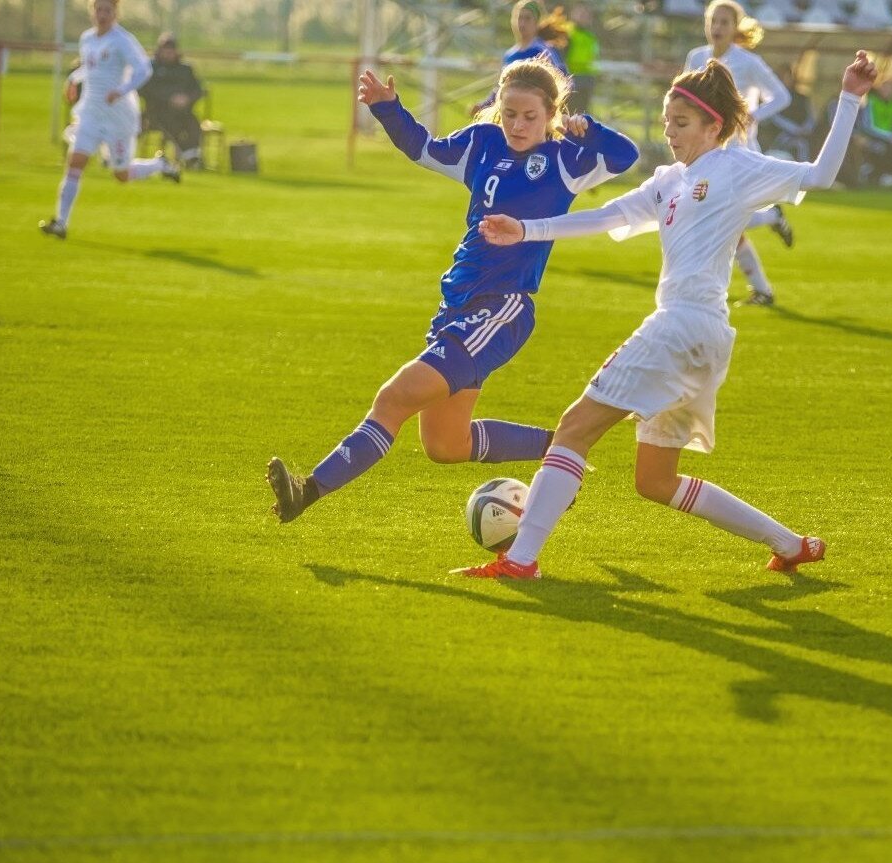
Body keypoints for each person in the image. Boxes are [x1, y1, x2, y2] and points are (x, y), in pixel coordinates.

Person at [453, 52, 881, 579]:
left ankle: (521, 561)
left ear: (713, 125)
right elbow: (606, 215)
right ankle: (791, 544)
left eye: (680, 124)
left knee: (573, 430)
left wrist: (848, 98)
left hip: (680, 328)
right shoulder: (669, 180)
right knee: (655, 481)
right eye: (665, 123)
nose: (670, 133)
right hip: (703, 337)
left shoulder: (736, 168)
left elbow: (821, 174)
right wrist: (526, 229)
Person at [264, 60, 638, 524]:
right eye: (509, 114)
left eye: (529, 116)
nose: (517, 125)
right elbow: (423, 147)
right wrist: (388, 108)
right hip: (457, 304)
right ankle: (561, 450)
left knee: (394, 399)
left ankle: (308, 490)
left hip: (501, 308)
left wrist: (590, 131)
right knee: (445, 445)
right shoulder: (482, 142)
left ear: (551, 115)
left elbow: (626, 156)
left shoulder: (567, 159)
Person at [685, 0, 796, 307]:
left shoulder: (747, 62)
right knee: (726, 224)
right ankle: (762, 289)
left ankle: (772, 215)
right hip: (706, 151)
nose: (717, 27)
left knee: (721, 217)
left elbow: (782, 96)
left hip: (739, 151)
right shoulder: (696, 57)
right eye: (713, 21)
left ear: (735, 28)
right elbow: (683, 97)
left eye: (724, 22)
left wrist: (753, 115)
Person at [39, 0, 178, 240]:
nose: (103, 14)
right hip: (91, 113)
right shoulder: (87, 39)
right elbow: (91, 68)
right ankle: (61, 223)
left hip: (118, 117)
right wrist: (73, 79)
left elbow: (144, 70)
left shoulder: (122, 40)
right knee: (75, 161)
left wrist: (122, 90)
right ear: (92, 11)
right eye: (99, 9)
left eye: (108, 10)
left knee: (121, 175)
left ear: (116, 13)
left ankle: (160, 165)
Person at [477, 1, 569, 113]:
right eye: (519, 18)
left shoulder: (542, 50)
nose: (522, 23)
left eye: (527, 18)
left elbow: (565, 80)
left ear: (537, 22)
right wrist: (483, 106)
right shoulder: (509, 54)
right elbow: (500, 88)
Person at [139, 32, 205, 169]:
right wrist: (169, 99)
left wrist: (187, 99)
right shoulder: (150, 68)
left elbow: (198, 90)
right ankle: (186, 157)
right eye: (165, 50)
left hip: (183, 112)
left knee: (193, 124)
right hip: (156, 113)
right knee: (171, 124)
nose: (168, 54)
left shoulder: (185, 69)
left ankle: (191, 157)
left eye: (171, 50)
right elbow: (145, 90)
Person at [857, 77, 892, 185]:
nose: (888, 90)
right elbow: (867, 126)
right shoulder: (870, 101)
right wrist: (891, 138)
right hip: (873, 137)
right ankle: (874, 174)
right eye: (886, 87)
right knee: (880, 148)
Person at [762, 63, 817, 160]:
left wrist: (805, 128)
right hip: (781, 139)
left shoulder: (802, 98)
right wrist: (793, 129)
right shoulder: (771, 98)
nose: (784, 80)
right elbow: (774, 117)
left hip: (804, 138)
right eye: (781, 77)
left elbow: (811, 116)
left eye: (786, 77)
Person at [557, 4, 600, 114]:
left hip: (587, 78)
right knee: (568, 112)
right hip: (570, 77)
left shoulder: (590, 36)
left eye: (586, 14)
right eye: (581, 13)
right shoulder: (566, 31)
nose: (583, 16)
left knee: (582, 113)